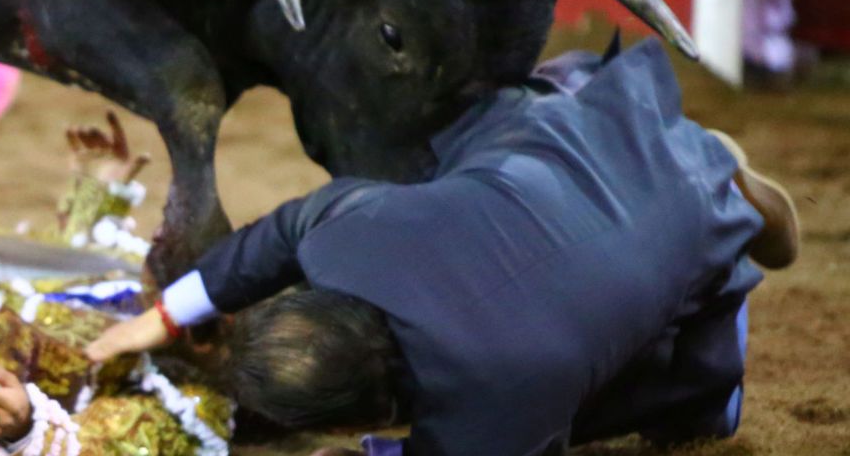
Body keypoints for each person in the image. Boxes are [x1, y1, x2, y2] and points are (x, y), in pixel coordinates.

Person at [83, 39, 799, 456]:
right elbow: (274, 239)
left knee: (696, 425)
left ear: (351, 422)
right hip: (569, 144)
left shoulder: (488, 421)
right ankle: (692, 162)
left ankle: (717, 226)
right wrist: (163, 317)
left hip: (682, 241)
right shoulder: (345, 235)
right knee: (484, 137)